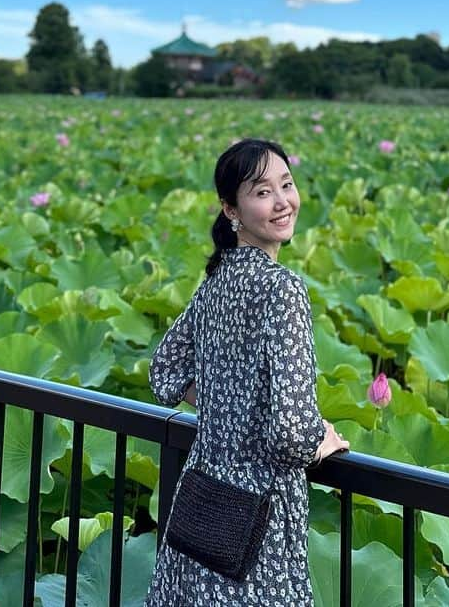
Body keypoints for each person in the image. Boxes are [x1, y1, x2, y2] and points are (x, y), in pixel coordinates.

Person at [143, 136, 350, 605]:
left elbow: (163, 372)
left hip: (203, 502)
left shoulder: (218, 281)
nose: (282, 203)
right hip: (261, 527)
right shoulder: (283, 290)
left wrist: (228, 405)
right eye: (262, 192)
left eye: (287, 185)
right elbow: (293, 435)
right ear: (230, 209)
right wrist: (323, 440)